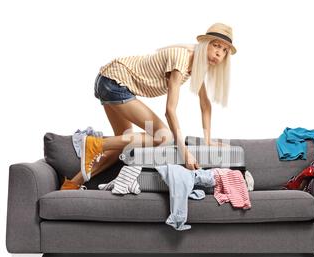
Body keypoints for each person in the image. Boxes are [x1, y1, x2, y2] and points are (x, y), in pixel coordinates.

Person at [61, 23, 237, 190]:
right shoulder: (182, 59)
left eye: (224, 50)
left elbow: (205, 104)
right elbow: (170, 111)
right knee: (165, 136)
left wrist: (208, 140)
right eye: (216, 45)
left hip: (109, 81)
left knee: (121, 145)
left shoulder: (197, 67)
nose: (219, 53)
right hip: (115, 82)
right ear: (205, 43)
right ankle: (94, 144)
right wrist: (185, 154)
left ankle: (71, 184)